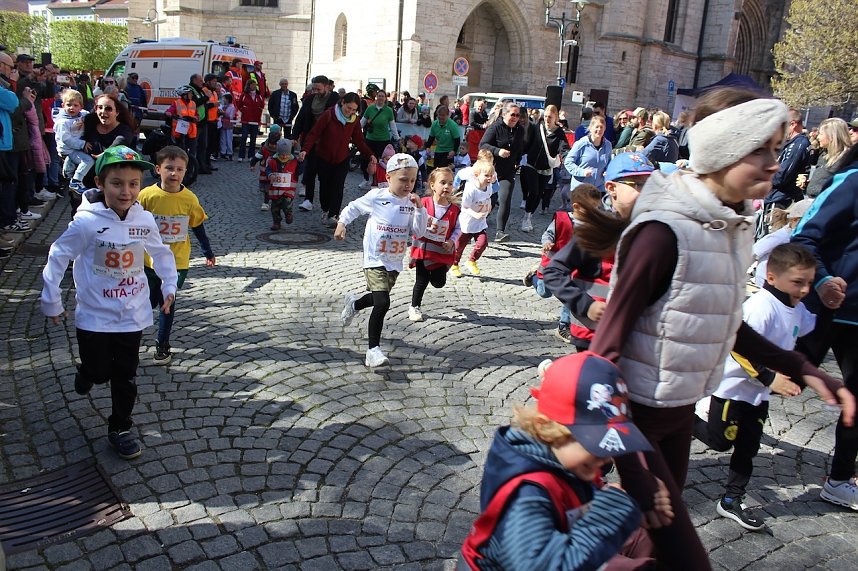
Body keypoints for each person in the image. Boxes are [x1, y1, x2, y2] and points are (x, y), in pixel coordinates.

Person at [579, 88, 854, 570]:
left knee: (645, 546)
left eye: (777, 148)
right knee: (683, 555)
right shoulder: (663, 232)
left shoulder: (729, 225)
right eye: (761, 149)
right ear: (724, 151)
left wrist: (806, 368)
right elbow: (603, 358)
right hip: (637, 418)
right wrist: (631, 467)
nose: (776, 162)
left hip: (679, 409)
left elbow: (722, 321)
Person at [459, 351, 666, 570]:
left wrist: (626, 500)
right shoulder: (528, 493)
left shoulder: (566, 461)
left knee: (645, 537)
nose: (605, 455)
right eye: (595, 443)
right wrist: (612, 508)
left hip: (561, 542)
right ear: (545, 428)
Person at [40, 145, 178, 460]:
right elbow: (59, 254)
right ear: (101, 184)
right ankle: (88, 373)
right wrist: (51, 299)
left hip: (132, 313)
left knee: (125, 375)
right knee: (100, 371)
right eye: (117, 183)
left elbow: (160, 252)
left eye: (133, 183)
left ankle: (120, 427)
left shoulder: (143, 219)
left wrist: (169, 285)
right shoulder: (87, 223)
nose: (126, 191)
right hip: (94, 315)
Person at [693, 243, 817, 530]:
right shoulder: (761, 307)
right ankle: (683, 417)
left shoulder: (796, 308)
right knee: (720, 440)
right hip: (731, 389)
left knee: (748, 447)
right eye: (798, 282)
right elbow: (739, 347)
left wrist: (831, 305)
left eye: (809, 283)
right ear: (771, 277)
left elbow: (814, 329)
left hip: (757, 396)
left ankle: (731, 500)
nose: (804, 290)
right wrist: (769, 378)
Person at [793, 140, 858, 511]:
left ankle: (838, 479)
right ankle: (713, 409)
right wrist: (822, 281)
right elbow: (804, 238)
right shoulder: (851, 182)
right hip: (825, 310)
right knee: (779, 377)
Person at [336, 153, 428, 368]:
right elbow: (354, 207)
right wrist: (342, 223)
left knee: (378, 297)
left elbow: (419, 231)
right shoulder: (377, 196)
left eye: (412, 181)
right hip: (374, 258)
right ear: (388, 178)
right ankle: (373, 351)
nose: (408, 185)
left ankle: (355, 304)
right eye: (403, 180)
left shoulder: (412, 203)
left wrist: (421, 209)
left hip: (394, 261)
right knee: (383, 302)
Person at [138, 145, 214, 365]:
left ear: (186, 171)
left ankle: (162, 344)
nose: (174, 173)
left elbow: (198, 226)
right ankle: (132, 337)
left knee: (166, 301)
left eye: (179, 169)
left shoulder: (189, 199)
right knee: (148, 301)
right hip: (147, 260)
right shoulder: (146, 196)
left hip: (177, 262)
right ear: (158, 169)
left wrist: (207, 251)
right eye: (169, 168)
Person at [528, 183, 603, 345]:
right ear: (576, 207)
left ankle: (564, 325)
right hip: (553, 264)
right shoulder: (562, 219)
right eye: (592, 209)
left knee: (571, 294)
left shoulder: (594, 226)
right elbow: (548, 234)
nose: (596, 213)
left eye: (598, 208)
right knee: (544, 292)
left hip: (576, 270)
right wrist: (547, 243)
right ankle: (533, 276)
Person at [298, 92, 378, 227]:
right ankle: (325, 209)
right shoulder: (328, 115)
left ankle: (333, 215)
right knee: (325, 186)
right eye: (348, 108)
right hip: (323, 157)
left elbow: (359, 140)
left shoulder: (354, 120)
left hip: (342, 158)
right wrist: (305, 150)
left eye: (354, 109)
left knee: (338, 186)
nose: (350, 112)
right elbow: (314, 133)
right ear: (342, 103)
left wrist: (370, 154)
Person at [408, 167, 461, 322]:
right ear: (432, 185)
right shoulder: (423, 203)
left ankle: (438, 274)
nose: (447, 187)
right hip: (423, 250)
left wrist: (451, 241)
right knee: (421, 280)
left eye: (450, 183)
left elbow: (458, 229)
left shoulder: (454, 210)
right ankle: (414, 306)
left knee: (439, 283)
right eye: (443, 182)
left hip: (441, 253)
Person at [76, 93, 135, 212]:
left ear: (116, 112)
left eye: (108, 108)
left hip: (110, 182)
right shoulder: (89, 121)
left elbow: (121, 141)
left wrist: (107, 153)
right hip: (85, 180)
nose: (103, 111)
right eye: (100, 107)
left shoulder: (124, 129)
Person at [292, 75, 339, 212]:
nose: (316, 92)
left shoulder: (335, 100)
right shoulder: (309, 100)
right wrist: (295, 136)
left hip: (328, 141)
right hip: (311, 140)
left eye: (318, 89)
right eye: (314, 89)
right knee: (310, 170)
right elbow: (300, 118)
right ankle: (308, 199)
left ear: (326, 86)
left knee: (325, 174)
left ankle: (327, 203)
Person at [480, 102, 525, 242]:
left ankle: (500, 232)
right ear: (504, 114)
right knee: (490, 201)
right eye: (513, 114)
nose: (515, 118)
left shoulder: (521, 130)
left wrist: (518, 160)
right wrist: (498, 151)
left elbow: (520, 147)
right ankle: (476, 226)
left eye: (518, 115)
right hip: (491, 171)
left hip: (508, 172)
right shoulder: (495, 127)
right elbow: (483, 145)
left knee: (505, 200)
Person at [520, 104, 569, 231]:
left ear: (556, 118)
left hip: (547, 168)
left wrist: (567, 157)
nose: (547, 119)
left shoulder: (559, 133)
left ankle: (529, 216)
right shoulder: (537, 128)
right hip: (531, 164)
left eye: (550, 117)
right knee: (534, 191)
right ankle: (526, 218)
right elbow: (527, 143)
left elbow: (564, 148)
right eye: (546, 116)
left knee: (539, 195)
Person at [752, 198, 813, 289]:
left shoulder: (801, 237)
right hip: (768, 280)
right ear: (795, 220)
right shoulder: (782, 236)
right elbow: (756, 250)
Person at [451, 150, 494, 278]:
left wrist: (489, 206)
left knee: (483, 243)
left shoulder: (489, 186)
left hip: (480, 223)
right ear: (476, 175)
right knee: (459, 246)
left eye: (491, 175)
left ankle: (471, 261)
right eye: (486, 175)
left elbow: (489, 197)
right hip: (467, 223)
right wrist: (474, 214)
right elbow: (464, 207)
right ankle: (454, 264)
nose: (490, 178)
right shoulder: (470, 189)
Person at [54, 88, 94, 194]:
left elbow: (88, 114)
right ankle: (76, 181)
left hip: (75, 147)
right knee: (88, 160)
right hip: (69, 149)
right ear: (63, 105)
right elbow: (66, 139)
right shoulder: (62, 122)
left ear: (81, 107)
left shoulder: (81, 115)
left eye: (75, 105)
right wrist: (82, 144)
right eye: (69, 105)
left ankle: (69, 165)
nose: (72, 108)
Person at [360, 89, 399, 190]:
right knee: (366, 159)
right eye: (379, 96)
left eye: (383, 96)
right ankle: (366, 179)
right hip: (370, 139)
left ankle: (380, 181)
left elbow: (392, 125)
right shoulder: (370, 109)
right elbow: (362, 122)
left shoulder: (388, 110)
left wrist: (397, 138)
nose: (381, 98)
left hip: (383, 140)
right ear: (376, 97)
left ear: (385, 98)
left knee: (382, 162)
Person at [563, 114, 612, 192]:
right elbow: (568, 162)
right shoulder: (582, 143)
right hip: (581, 187)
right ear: (591, 128)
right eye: (597, 127)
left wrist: (607, 171)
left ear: (605, 129)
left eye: (601, 127)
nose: (599, 129)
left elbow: (609, 163)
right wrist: (582, 172)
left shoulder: (608, 145)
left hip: (599, 188)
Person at [805, 117, 851, 197]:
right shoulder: (824, 155)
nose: (818, 137)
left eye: (821, 134)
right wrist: (808, 184)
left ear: (832, 136)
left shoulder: (845, 160)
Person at [265, 138, 300, 230]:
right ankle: (276, 222)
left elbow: (300, 170)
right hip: (275, 191)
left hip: (288, 191)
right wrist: (270, 174)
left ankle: (288, 214)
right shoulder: (273, 161)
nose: (284, 157)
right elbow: (268, 169)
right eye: (282, 154)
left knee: (287, 205)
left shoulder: (294, 161)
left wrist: (302, 161)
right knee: (274, 209)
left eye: (286, 154)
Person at [236, 80, 264, 162]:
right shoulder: (244, 95)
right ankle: (241, 155)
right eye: (252, 85)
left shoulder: (259, 96)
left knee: (253, 139)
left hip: (255, 120)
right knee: (244, 137)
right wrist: (244, 111)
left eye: (255, 84)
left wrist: (259, 112)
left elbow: (262, 105)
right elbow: (239, 105)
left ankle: (251, 156)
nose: (254, 86)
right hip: (246, 120)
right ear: (249, 85)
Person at [425, 105, 460, 171]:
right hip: (439, 149)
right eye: (439, 115)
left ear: (448, 115)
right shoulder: (435, 124)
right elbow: (431, 137)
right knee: (437, 170)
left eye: (443, 115)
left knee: (444, 171)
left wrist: (454, 151)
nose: (441, 117)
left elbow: (457, 140)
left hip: (449, 151)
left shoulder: (452, 125)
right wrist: (427, 147)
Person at [219, 93, 236, 161]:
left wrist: (224, 113)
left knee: (229, 139)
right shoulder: (222, 106)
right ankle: (223, 152)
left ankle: (229, 152)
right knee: (223, 139)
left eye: (224, 99)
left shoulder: (232, 107)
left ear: (228, 99)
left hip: (229, 125)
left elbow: (231, 116)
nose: (223, 100)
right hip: (223, 124)